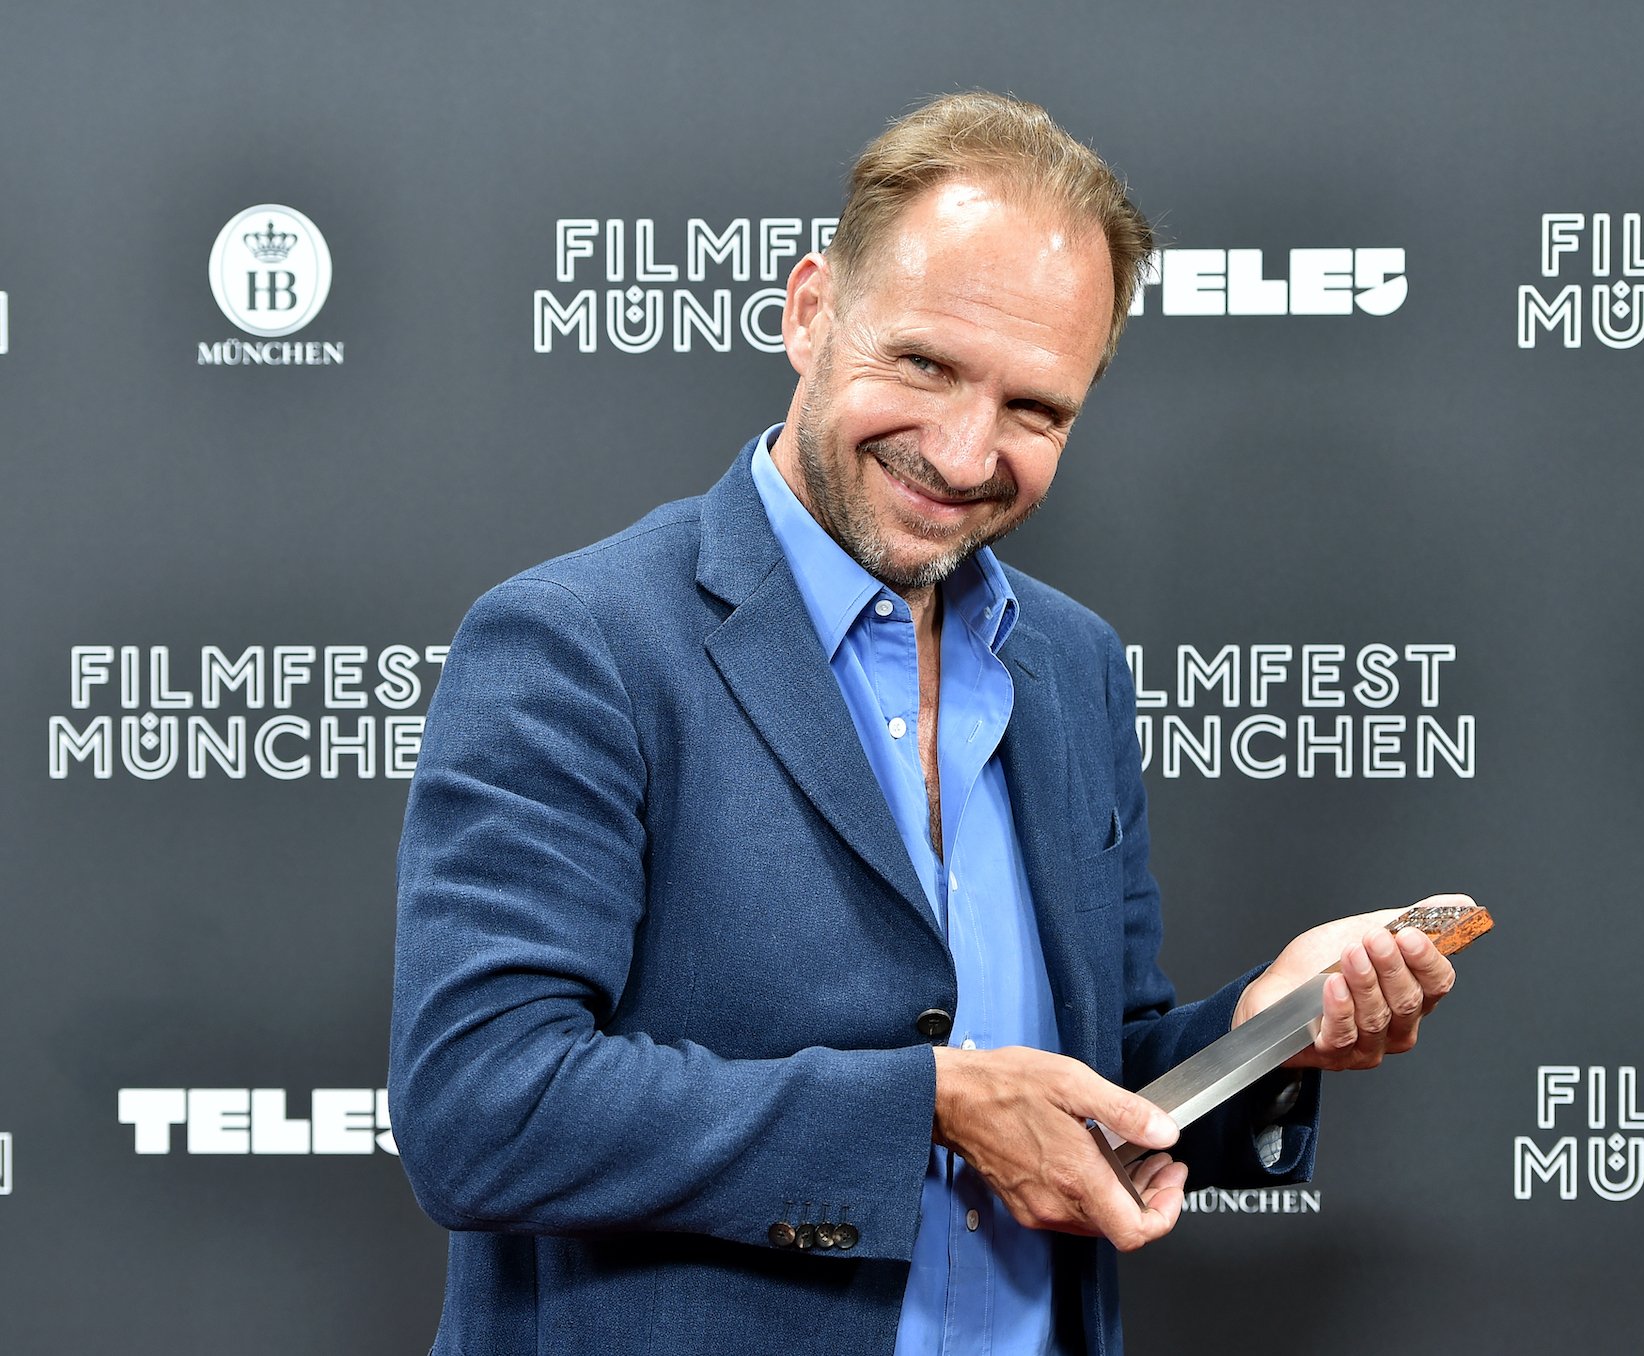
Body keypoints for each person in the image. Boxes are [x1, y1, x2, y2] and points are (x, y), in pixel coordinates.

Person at [389, 91, 1462, 1356]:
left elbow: (1094, 1074)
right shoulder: (580, 643)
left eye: (1033, 410)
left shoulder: (1069, 663)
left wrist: (1261, 1036)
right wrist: (932, 1108)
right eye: (925, 365)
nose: (961, 452)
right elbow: (482, 1110)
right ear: (809, 312)